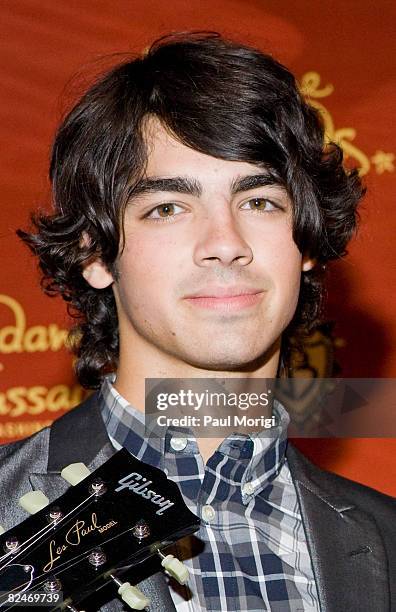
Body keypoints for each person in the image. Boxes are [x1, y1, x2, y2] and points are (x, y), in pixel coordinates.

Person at [1, 32, 395, 612]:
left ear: (306, 241)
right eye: (168, 208)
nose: (225, 244)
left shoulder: (385, 542)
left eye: (259, 202)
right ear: (95, 254)